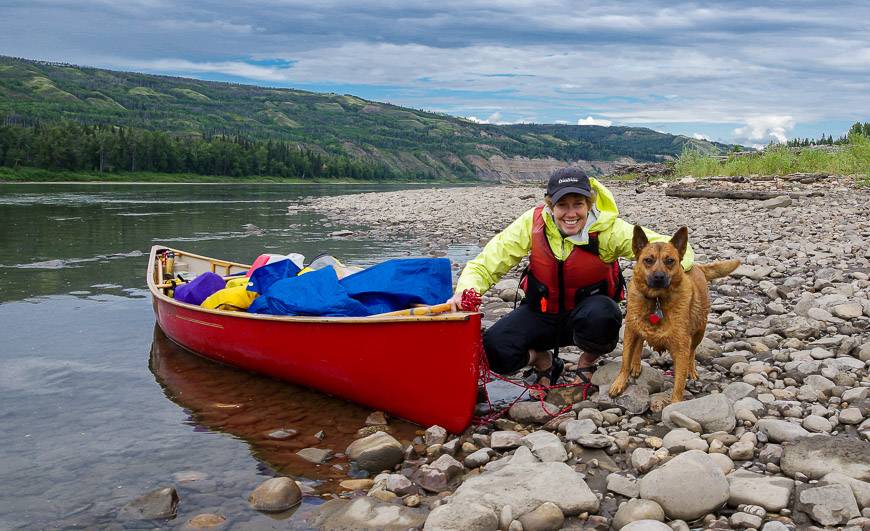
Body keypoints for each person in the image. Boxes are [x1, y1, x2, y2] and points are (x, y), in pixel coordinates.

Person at [449, 167, 694, 390]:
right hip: (541, 313)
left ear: (589, 204)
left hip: (589, 318)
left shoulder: (610, 230)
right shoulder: (531, 224)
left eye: (578, 204)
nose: (570, 213)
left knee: (605, 315)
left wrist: (678, 273)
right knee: (494, 350)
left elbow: (677, 250)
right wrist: (466, 291)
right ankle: (545, 363)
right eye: (562, 205)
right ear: (550, 205)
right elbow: (486, 263)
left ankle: (586, 363)